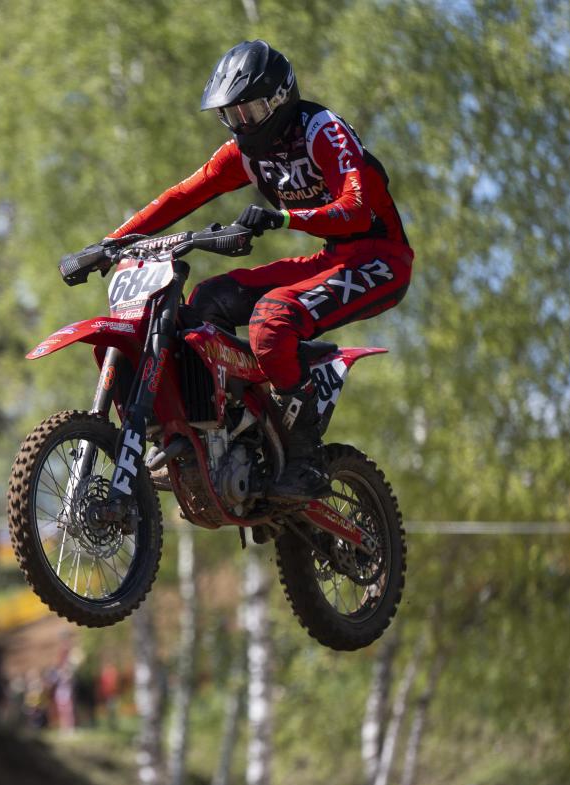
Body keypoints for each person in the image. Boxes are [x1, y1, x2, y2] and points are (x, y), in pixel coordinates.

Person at [83, 40, 412, 501]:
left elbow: (356, 209)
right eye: (231, 115)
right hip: (332, 258)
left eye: (250, 111)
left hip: (381, 259)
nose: (242, 124)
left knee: (272, 319)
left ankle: (304, 457)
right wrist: (108, 244)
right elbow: (181, 196)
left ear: (280, 99)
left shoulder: (321, 131)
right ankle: (235, 425)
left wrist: (284, 218)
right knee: (206, 301)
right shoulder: (243, 155)